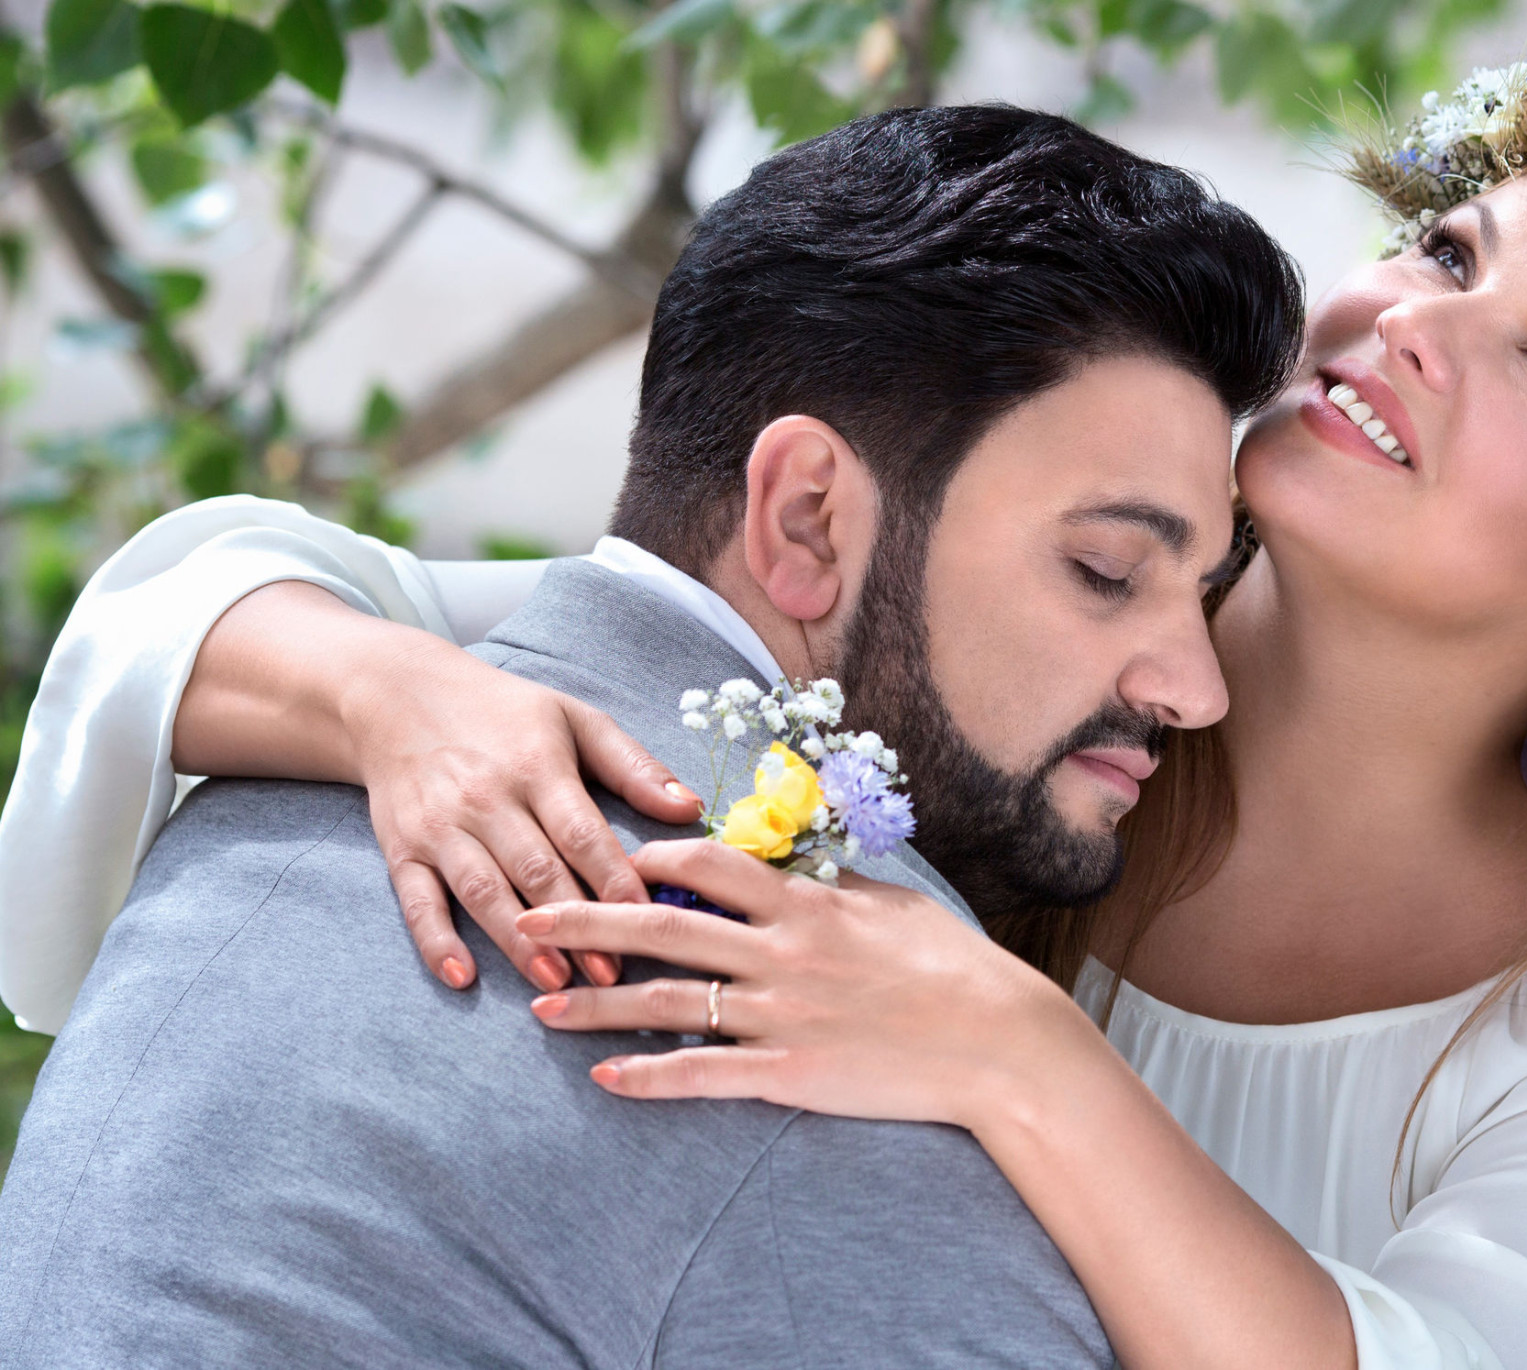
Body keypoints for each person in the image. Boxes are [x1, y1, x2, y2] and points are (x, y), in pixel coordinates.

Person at [0, 39, 1527, 1370]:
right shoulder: (990, 636)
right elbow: (277, 606)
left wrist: (1016, 1049)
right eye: (1444, 248)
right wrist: (395, 698)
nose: (1412, 324)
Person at [0, 105, 1306, 1367]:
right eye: (1104, 567)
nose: (1197, 687)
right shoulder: (811, 1035)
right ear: (805, 519)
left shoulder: (236, 820)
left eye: (1203, 597)